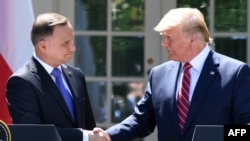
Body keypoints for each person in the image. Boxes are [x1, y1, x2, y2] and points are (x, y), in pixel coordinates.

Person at [94, 7, 250, 141]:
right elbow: (141, 121)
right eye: (163, 37)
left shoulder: (235, 73)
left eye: (169, 38)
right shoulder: (159, 74)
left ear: (193, 39)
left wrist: (210, 135)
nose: (164, 43)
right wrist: (107, 136)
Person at [6, 13, 107, 141]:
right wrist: (85, 136)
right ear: (43, 46)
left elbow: (88, 125)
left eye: (72, 41)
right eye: (65, 43)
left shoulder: (76, 75)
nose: (73, 48)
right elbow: (33, 135)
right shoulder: (21, 82)